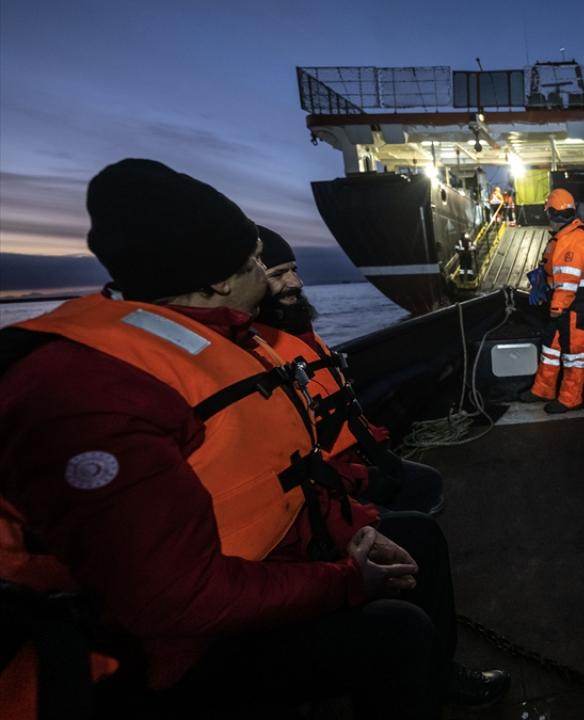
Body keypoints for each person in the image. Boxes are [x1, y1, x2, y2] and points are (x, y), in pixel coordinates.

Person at [0, 159, 507, 718]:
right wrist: (346, 581)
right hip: (152, 653)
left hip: (250, 563)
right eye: (256, 263)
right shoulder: (92, 392)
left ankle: (439, 677)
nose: (269, 278)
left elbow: (268, 477)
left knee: (416, 537)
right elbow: (169, 600)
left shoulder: (208, 341)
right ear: (217, 281)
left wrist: (353, 526)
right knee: (394, 630)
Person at [253, 225, 446, 515]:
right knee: (415, 527)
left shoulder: (300, 334)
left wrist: (376, 449)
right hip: (324, 480)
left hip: (355, 458)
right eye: (278, 275)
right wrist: (358, 478)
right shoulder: (253, 352)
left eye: (293, 269)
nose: (297, 282)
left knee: (428, 483)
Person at [520, 189, 584, 413]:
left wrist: (557, 307)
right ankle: (543, 390)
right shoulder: (563, 237)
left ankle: (570, 399)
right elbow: (555, 272)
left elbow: (568, 278)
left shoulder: (574, 239)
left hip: (575, 307)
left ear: (553, 214)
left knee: (574, 354)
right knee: (551, 348)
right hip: (566, 306)